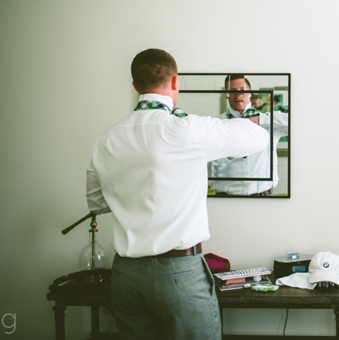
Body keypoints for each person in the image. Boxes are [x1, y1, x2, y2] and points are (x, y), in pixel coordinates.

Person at [86, 49, 269, 339]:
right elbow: (259, 137)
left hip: (125, 276)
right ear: (175, 81)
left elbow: (96, 203)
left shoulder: (106, 139)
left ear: (135, 86)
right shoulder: (184, 128)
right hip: (177, 274)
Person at [208, 75, 289, 196]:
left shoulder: (267, 121)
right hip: (225, 198)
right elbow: (206, 166)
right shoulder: (215, 124)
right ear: (226, 94)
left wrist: (260, 119)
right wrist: (227, 155)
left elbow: (295, 122)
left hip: (264, 196)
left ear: (250, 93)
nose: (238, 95)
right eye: (232, 91)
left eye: (242, 90)